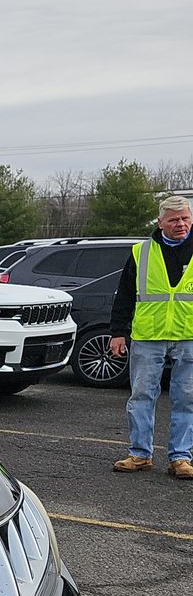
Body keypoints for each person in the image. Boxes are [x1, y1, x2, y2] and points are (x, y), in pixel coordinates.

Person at [109, 194, 193, 478]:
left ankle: (181, 458)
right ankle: (140, 454)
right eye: (174, 220)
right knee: (142, 395)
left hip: (189, 336)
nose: (181, 224)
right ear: (161, 222)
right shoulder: (140, 252)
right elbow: (124, 297)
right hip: (148, 336)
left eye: (185, 218)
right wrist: (118, 333)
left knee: (187, 398)